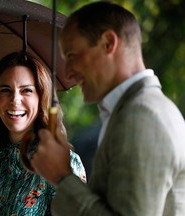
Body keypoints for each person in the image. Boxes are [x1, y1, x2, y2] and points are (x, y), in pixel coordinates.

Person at [30, 2, 185, 216]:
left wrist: (62, 177)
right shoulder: (136, 111)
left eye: (73, 57)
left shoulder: (141, 117)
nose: (68, 74)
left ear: (108, 42)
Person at [0, 51, 86, 215]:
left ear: (41, 97)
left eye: (26, 90)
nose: (15, 100)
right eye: (6, 90)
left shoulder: (64, 164)